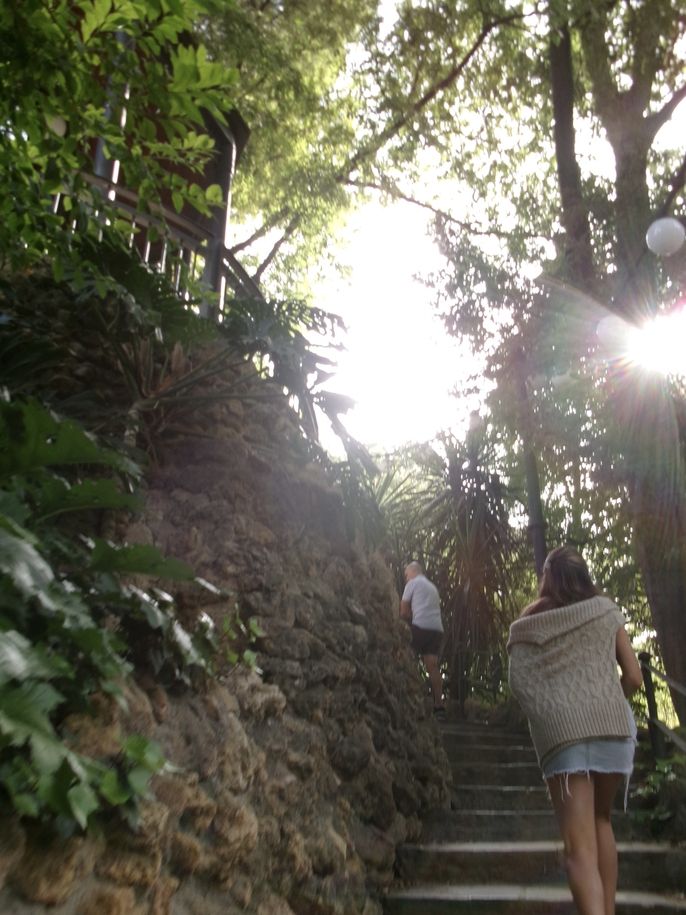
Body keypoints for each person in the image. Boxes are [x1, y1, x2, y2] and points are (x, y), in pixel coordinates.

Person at [507, 546, 643, 915]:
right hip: (613, 730)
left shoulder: (529, 623)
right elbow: (633, 676)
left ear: (547, 579)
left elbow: (520, 683)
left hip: (564, 737)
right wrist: (606, 701)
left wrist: (555, 712)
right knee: (602, 821)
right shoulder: (605, 610)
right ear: (584, 575)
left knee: (577, 848)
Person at [400, 561, 445, 716]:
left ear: (413, 571)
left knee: (406, 657)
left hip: (420, 627)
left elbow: (403, 611)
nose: (406, 578)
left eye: (406, 574)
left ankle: (410, 698)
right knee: (432, 666)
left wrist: (406, 620)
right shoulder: (432, 587)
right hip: (437, 629)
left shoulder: (412, 583)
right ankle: (439, 705)